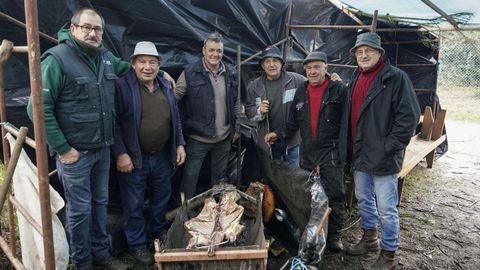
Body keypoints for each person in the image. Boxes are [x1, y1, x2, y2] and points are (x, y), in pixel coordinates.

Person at [26, 8, 175, 270]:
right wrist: (63, 148)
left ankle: (101, 254)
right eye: (87, 27)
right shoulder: (57, 60)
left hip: (102, 150)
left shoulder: (105, 58)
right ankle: (82, 262)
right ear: (73, 29)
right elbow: (36, 107)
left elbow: (131, 67)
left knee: (99, 205)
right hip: (75, 154)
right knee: (80, 211)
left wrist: (161, 73)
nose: (92, 33)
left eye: (97, 29)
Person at [342, 32, 420, 269]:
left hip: (383, 156)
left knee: (386, 207)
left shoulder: (395, 78)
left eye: (369, 51)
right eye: (359, 52)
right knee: (363, 199)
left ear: (379, 54)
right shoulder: (355, 78)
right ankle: (369, 239)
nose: (363, 55)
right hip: (360, 153)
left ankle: (388, 254)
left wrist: (390, 147)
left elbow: (409, 117)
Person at [112, 41, 186, 265]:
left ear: (158, 65)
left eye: (152, 62)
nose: (147, 67)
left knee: (161, 198)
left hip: (162, 155)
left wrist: (179, 144)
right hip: (135, 158)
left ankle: (159, 232)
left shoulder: (165, 85)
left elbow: (175, 119)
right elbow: (113, 124)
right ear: (133, 64)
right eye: (142, 61)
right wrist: (120, 153)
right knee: (133, 203)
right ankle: (137, 244)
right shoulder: (122, 86)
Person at [265, 51, 346, 252]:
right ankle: (311, 231)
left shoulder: (339, 90)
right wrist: (278, 134)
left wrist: (348, 151)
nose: (312, 71)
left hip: (332, 151)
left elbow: (348, 123)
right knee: (309, 193)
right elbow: (292, 122)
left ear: (326, 68)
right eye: (309, 68)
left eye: (317, 67)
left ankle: (334, 235)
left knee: (334, 193)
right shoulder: (301, 91)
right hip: (308, 151)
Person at [175, 32, 242, 199]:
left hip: (223, 138)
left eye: (219, 51)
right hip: (198, 138)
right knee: (190, 177)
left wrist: (237, 128)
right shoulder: (190, 72)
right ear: (203, 50)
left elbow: (236, 102)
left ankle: (214, 211)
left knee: (219, 178)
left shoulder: (231, 73)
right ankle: (184, 212)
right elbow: (174, 98)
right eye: (211, 50)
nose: (215, 54)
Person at [244, 46, 306, 166]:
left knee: (293, 175)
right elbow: (248, 112)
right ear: (262, 66)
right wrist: (259, 110)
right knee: (273, 176)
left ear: (281, 64)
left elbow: (314, 82)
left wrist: (331, 78)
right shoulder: (254, 86)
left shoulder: (295, 80)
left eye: (275, 61)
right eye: (267, 61)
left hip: (292, 140)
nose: (271, 64)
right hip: (268, 141)